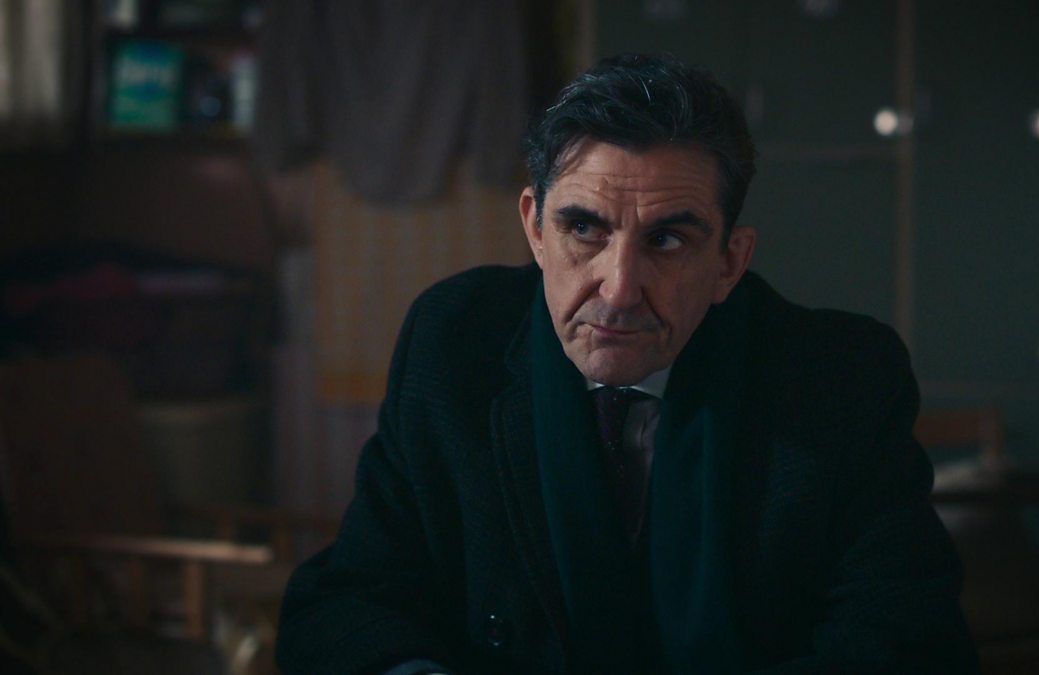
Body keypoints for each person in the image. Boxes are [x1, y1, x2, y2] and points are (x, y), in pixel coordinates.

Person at [276, 54, 978, 674]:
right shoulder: (454, 342)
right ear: (535, 229)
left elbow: (909, 644)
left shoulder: (841, 378)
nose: (618, 290)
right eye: (584, 228)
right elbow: (346, 600)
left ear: (729, 262)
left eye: (667, 241)